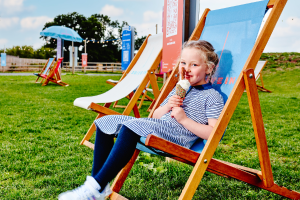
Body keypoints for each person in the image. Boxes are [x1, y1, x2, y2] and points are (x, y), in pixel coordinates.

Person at [58, 40, 224, 200]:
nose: (187, 69)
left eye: (194, 65)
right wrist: (167, 106)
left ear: (208, 69)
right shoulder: (179, 89)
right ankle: (99, 188)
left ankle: (94, 188)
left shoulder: (212, 96)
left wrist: (184, 119)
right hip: (160, 126)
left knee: (131, 126)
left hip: (178, 137)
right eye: (183, 63)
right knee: (105, 121)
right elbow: (156, 115)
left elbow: (213, 133)